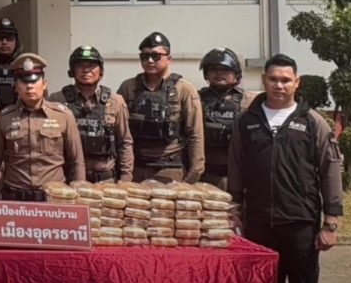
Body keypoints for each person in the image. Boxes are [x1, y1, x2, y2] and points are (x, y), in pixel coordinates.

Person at [228, 54, 342, 283]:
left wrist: (331, 222)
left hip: (300, 222)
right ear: (263, 80)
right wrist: (234, 209)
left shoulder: (312, 122)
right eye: (273, 79)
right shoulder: (247, 122)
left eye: (285, 80)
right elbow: (236, 167)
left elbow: (330, 170)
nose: (279, 85)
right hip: (259, 222)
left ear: (296, 82)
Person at [0, 54, 85, 201]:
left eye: (34, 81)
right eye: (24, 82)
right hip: (15, 199)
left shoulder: (63, 116)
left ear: (44, 84)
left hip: (54, 199)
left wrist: (80, 197)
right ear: (16, 86)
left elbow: (76, 162)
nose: (29, 86)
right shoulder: (5, 117)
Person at [117, 32, 204, 183]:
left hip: (170, 170)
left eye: (156, 56)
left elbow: (195, 134)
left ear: (169, 59)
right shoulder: (128, 87)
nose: (149, 60)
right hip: (136, 169)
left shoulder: (184, 89)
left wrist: (192, 177)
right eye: (145, 56)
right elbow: (119, 132)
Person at [50, 46, 134, 183]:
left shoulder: (115, 102)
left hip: (106, 181)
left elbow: (125, 142)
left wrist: (125, 179)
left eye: (92, 66)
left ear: (101, 71)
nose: (86, 70)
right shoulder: (57, 100)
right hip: (69, 180)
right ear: (72, 70)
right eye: (80, 65)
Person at [198, 47, 256, 187]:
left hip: (238, 173)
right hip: (205, 172)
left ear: (236, 73)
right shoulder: (196, 98)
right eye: (213, 69)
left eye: (225, 69)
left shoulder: (249, 101)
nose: (219, 73)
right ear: (206, 73)